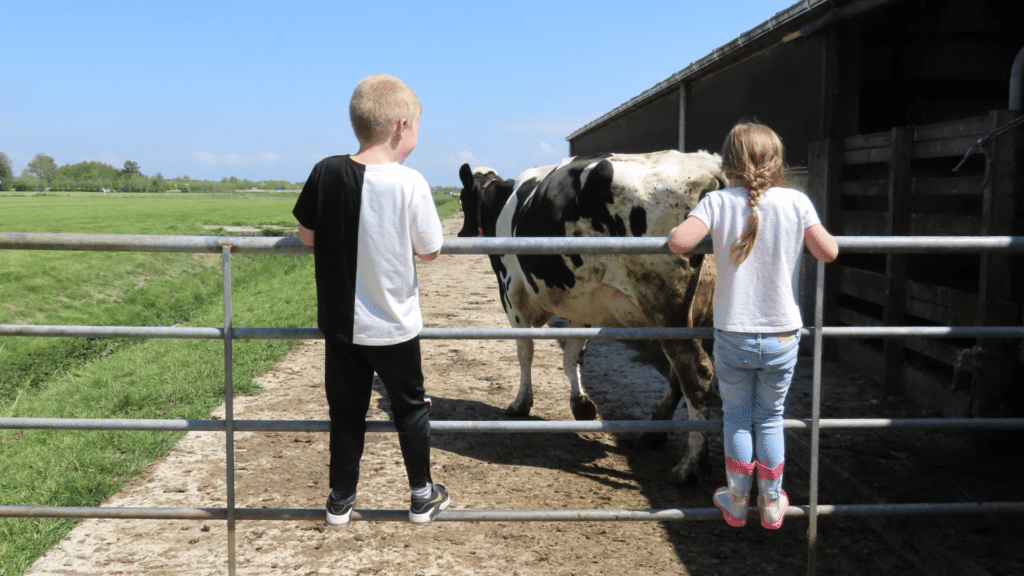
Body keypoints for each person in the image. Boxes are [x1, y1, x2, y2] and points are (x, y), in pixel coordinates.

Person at [292, 73, 449, 526]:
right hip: (395, 326)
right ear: (401, 126)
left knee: (345, 412)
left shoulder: (325, 170)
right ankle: (422, 495)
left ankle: (340, 499)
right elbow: (430, 249)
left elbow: (306, 236)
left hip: (341, 326)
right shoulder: (411, 183)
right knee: (412, 409)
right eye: (417, 125)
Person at [668, 121, 838, 529]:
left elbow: (679, 243)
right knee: (770, 417)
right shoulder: (797, 203)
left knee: (737, 417)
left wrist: (679, 225)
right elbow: (828, 251)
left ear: (728, 164)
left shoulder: (717, 202)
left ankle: (738, 499)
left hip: (734, 337)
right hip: (783, 335)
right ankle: (774, 500)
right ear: (777, 162)